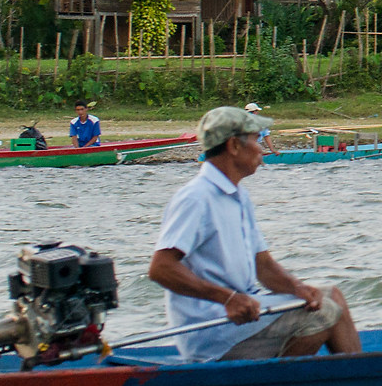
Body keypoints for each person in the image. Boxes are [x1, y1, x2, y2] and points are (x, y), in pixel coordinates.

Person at [148, 106, 363, 361]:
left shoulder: (239, 195)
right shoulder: (196, 197)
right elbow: (160, 268)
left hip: (244, 316)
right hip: (213, 330)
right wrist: (227, 299)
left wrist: (297, 288)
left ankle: (347, 377)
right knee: (325, 311)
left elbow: (263, 266)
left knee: (329, 295)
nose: (261, 148)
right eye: (255, 139)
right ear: (234, 146)